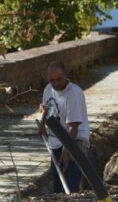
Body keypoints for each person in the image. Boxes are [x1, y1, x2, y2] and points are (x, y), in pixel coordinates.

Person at [39, 61, 91, 193]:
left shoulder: (73, 93)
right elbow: (46, 107)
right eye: (52, 80)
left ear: (65, 76)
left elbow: (74, 127)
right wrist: (42, 124)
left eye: (59, 80)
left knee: (70, 185)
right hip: (56, 141)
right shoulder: (48, 89)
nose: (56, 84)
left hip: (75, 141)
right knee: (58, 185)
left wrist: (67, 152)